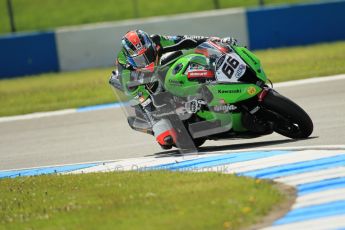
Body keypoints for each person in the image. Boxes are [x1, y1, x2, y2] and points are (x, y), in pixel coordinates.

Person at [109, 29, 237, 149]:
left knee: (181, 62)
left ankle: (201, 91)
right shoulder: (125, 71)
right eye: (141, 59)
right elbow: (147, 105)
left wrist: (215, 40)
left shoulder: (156, 41)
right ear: (131, 59)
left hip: (159, 70)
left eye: (148, 54)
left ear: (152, 46)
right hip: (143, 89)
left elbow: (185, 40)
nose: (147, 60)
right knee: (166, 141)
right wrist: (165, 119)